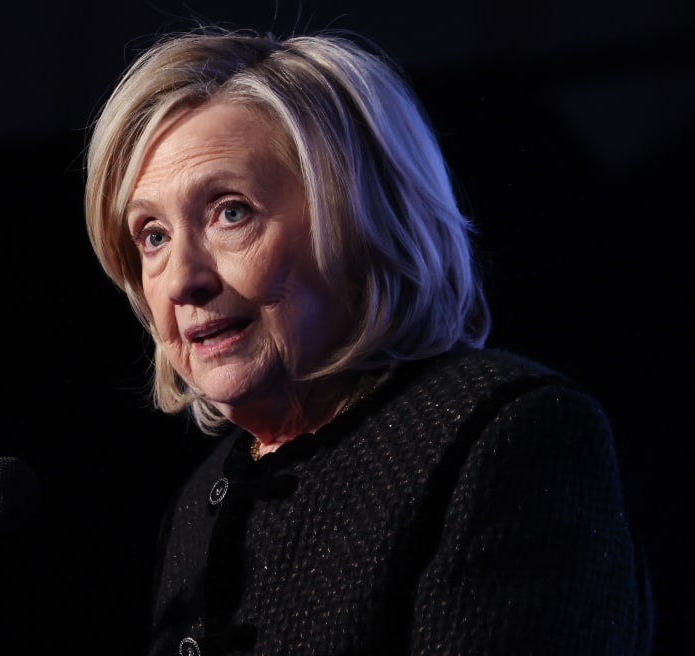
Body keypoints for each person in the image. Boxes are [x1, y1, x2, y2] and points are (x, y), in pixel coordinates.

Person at [82, 25, 654, 655]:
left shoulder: (503, 437)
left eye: (231, 212)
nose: (181, 280)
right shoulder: (199, 506)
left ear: (363, 222)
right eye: (153, 236)